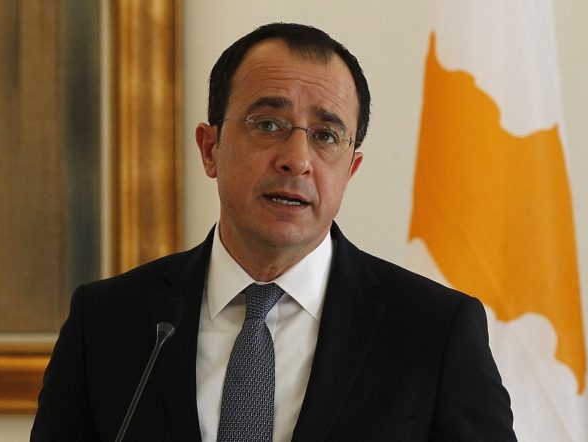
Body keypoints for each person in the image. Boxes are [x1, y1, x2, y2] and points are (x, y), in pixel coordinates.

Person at [31, 23, 516, 441]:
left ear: (350, 169)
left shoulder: (433, 331)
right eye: (268, 125)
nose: (297, 160)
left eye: (325, 136)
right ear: (210, 148)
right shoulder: (107, 322)